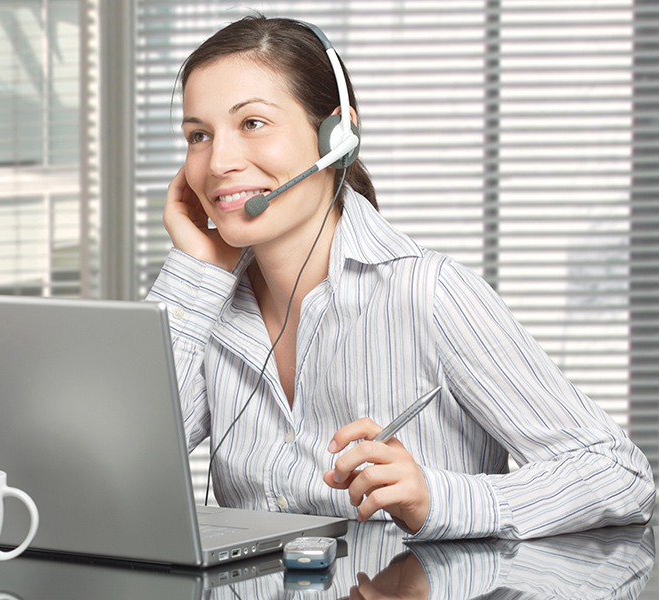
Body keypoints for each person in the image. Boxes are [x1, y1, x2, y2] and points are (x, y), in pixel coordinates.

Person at [146, 15, 655, 540]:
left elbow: (618, 472)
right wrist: (195, 273)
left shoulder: (429, 293)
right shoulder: (204, 306)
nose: (218, 162)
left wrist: (439, 497)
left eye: (252, 123)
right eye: (198, 135)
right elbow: (116, 470)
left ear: (335, 134)